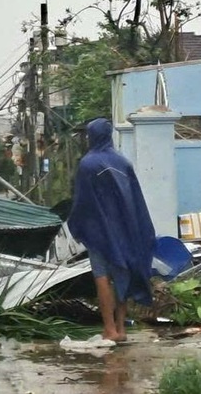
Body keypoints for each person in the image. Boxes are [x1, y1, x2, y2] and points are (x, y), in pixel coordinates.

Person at [66, 117, 156, 343]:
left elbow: (83, 200)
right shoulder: (123, 163)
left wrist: (77, 224)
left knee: (102, 277)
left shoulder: (88, 164)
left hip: (98, 231)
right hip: (124, 228)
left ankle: (109, 330)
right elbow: (135, 198)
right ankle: (121, 329)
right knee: (121, 273)